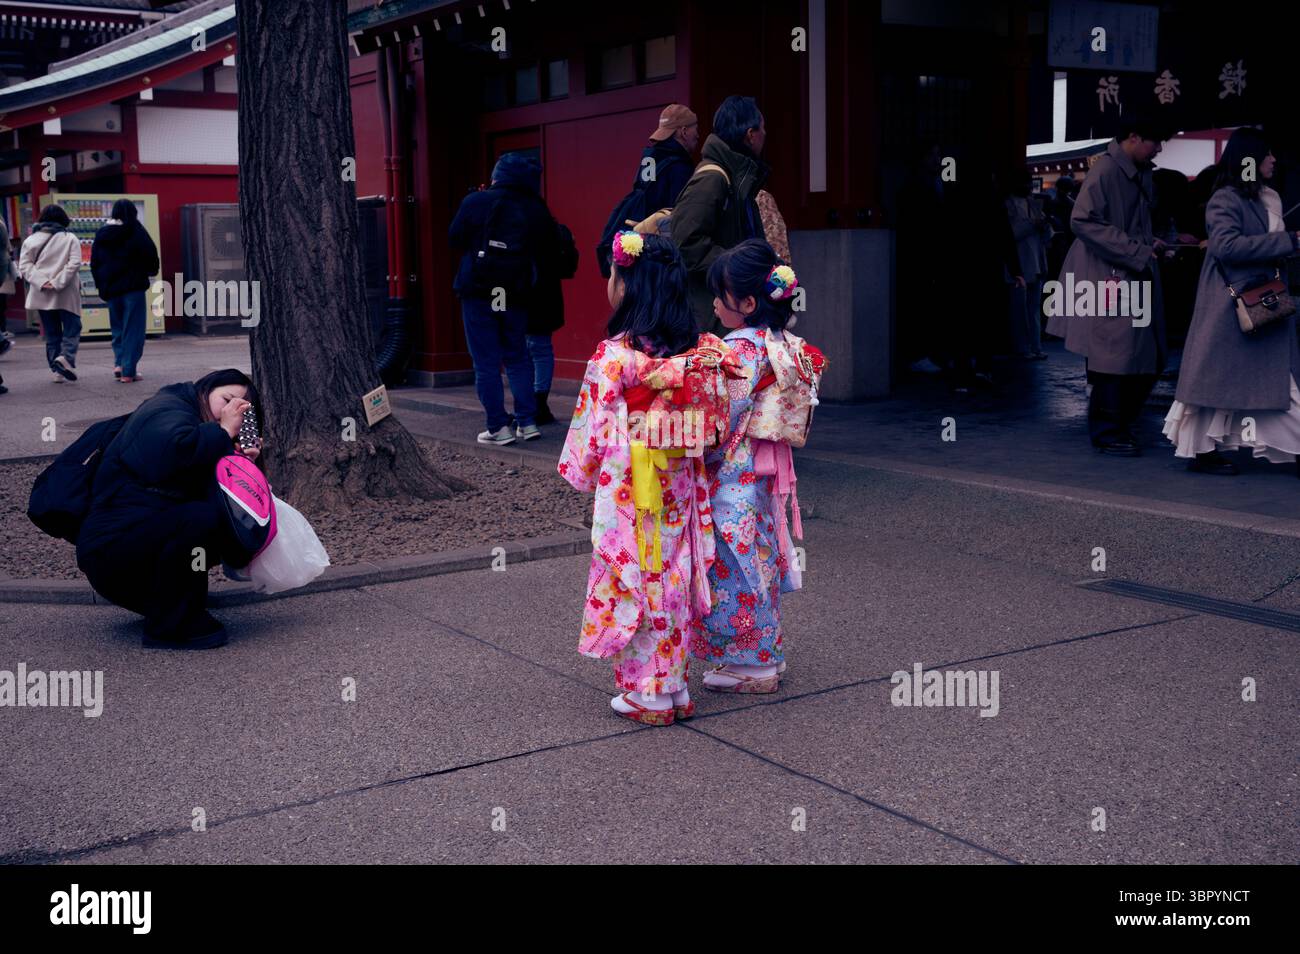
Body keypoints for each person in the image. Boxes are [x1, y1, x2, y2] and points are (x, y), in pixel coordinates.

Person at [558, 231, 736, 726]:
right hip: (679, 479)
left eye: (614, 276)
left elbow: (592, 436)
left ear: (627, 287)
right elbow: (717, 424)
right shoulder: (701, 352)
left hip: (631, 484)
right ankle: (674, 682)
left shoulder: (613, 358)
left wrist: (584, 471)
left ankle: (649, 691)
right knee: (673, 572)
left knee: (638, 575)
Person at [693, 239, 812, 693]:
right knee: (757, 558)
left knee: (734, 564)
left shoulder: (738, 350)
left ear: (746, 302)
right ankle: (765, 654)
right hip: (764, 473)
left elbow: (721, 417)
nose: (715, 304)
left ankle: (753, 664)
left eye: (720, 296)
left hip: (735, 474)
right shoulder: (781, 342)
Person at [76, 370, 264, 649]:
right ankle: (170, 628)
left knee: (211, 520)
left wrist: (239, 459)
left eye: (238, 408)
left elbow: (207, 487)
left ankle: (174, 604)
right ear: (205, 389)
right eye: (226, 399)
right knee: (199, 519)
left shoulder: (196, 419)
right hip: (110, 553)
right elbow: (175, 453)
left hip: (132, 545)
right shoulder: (167, 409)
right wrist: (223, 431)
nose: (227, 410)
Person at [1163, 128, 1300, 475]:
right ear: (1250, 159)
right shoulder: (1226, 198)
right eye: (1267, 154)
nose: (1273, 160)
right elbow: (1226, 247)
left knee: (1273, 381)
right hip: (1231, 304)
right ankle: (1202, 450)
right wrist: (1287, 241)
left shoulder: (1267, 196)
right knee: (1219, 382)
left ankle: (1208, 449)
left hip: (1262, 299)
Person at [1046, 117, 1171, 455]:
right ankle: (1108, 431)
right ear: (1133, 136)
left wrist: (1150, 243)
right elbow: (1082, 220)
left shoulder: (1138, 170)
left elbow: (1129, 224)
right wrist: (1136, 248)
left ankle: (1118, 425)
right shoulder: (1105, 171)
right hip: (1108, 274)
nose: (1158, 148)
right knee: (1114, 355)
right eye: (1155, 141)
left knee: (1141, 353)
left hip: (1128, 268)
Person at [448, 150, 559, 445]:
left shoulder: (475, 202)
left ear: (497, 175)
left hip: (479, 289)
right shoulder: (533, 207)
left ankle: (498, 427)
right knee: (517, 358)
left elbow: (454, 238)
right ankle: (527, 422)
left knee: (485, 362)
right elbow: (549, 247)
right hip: (515, 291)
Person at [672, 95, 770, 336]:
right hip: (712, 314)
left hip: (729, 309)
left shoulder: (738, 178)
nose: (765, 135)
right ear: (750, 134)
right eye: (763, 128)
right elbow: (686, 244)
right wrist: (739, 265)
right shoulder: (713, 179)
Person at [91, 198, 159, 383]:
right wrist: (150, 271)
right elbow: (151, 255)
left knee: (118, 328)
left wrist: (101, 285)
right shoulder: (136, 231)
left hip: (111, 289)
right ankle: (128, 371)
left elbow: (95, 262)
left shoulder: (103, 234)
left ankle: (119, 363)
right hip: (133, 288)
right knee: (133, 329)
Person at [18, 204, 82, 383]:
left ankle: (57, 371)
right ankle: (65, 358)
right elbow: (74, 264)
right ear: (63, 219)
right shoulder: (70, 238)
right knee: (73, 327)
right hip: (66, 292)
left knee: (52, 332)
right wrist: (58, 282)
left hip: (42, 294)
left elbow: (24, 266)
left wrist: (42, 281)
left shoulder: (30, 240)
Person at [526, 219, 578, 426]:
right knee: (541, 349)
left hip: (519, 294)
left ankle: (529, 406)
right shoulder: (550, 224)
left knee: (523, 352)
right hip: (547, 294)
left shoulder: (512, 220)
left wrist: (498, 305)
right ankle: (539, 403)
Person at [1006, 170, 1051, 360]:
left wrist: (1044, 226)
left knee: (1033, 308)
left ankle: (1036, 345)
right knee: (1020, 309)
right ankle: (1023, 347)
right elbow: (1010, 235)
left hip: (1036, 261)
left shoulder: (1033, 204)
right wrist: (1033, 225)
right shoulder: (1008, 206)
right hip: (1019, 262)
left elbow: (1046, 236)